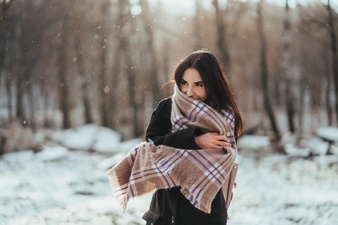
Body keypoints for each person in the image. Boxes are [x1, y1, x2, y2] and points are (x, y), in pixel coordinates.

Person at [142, 50, 243, 225]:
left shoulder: (223, 117)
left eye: (199, 84)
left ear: (212, 84)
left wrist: (176, 149)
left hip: (206, 213)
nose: (189, 92)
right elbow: (151, 149)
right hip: (166, 211)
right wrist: (194, 140)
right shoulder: (167, 108)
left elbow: (220, 159)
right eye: (184, 83)